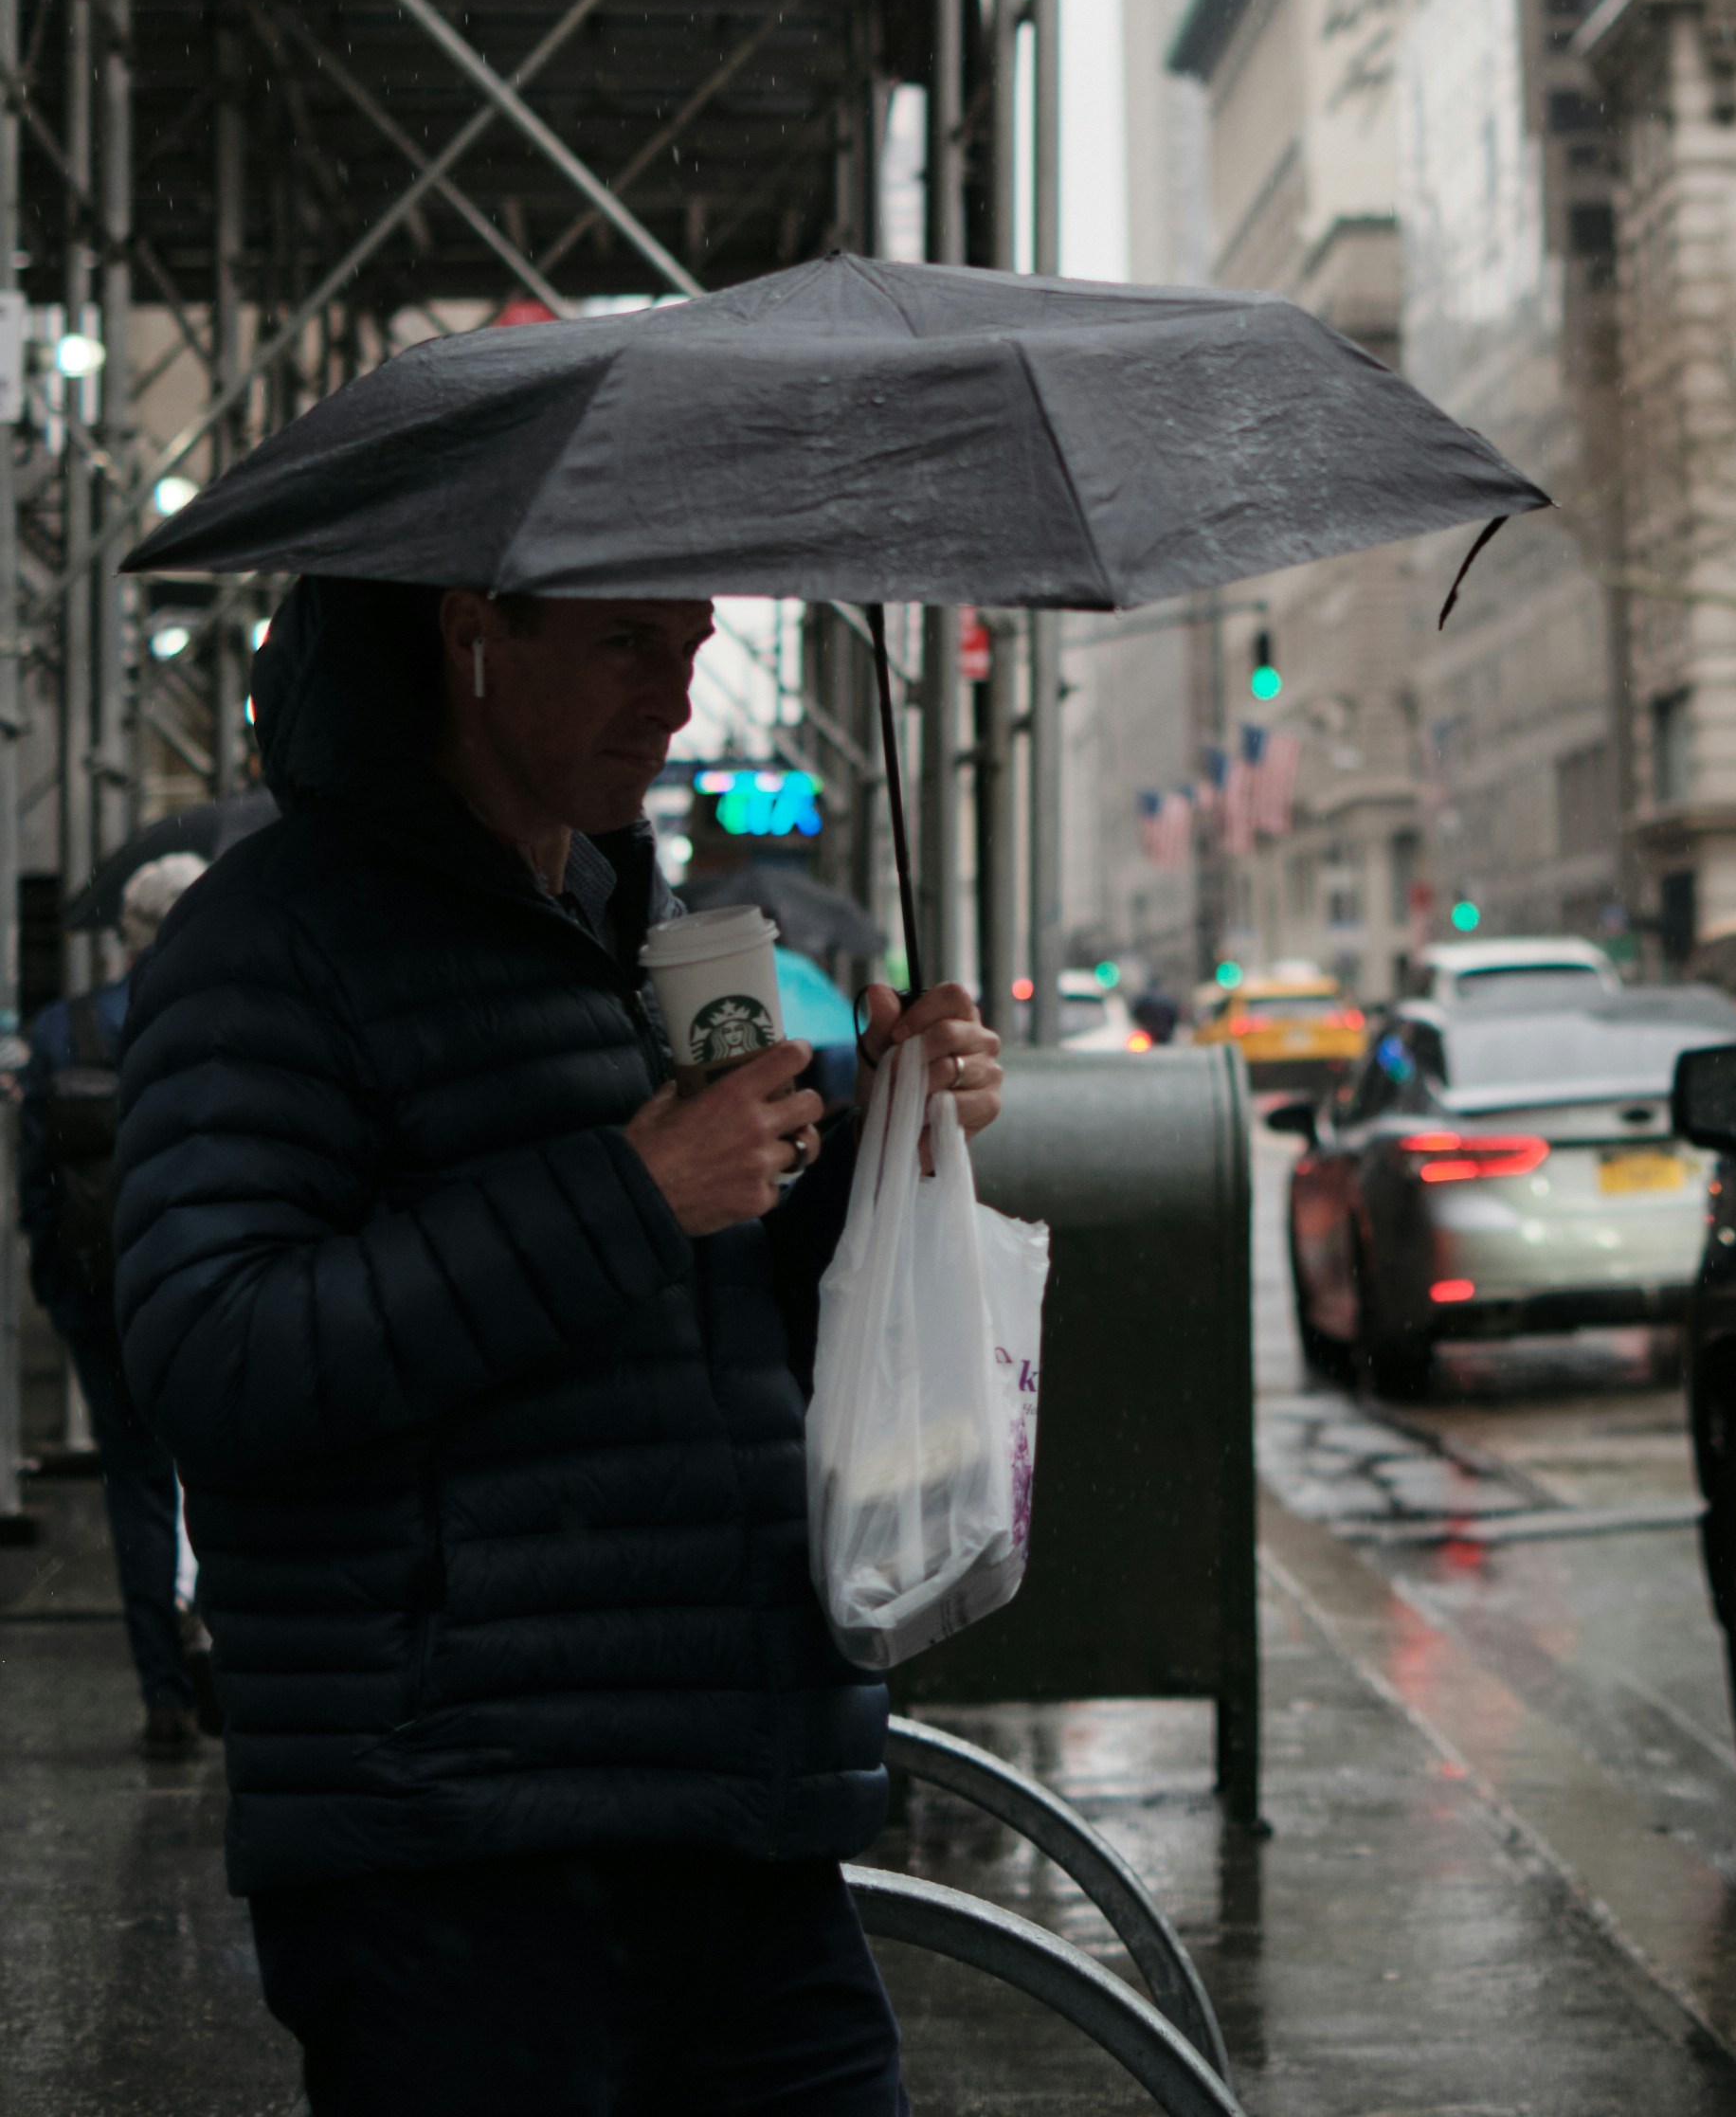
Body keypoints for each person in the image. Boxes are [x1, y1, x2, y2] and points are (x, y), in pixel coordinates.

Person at [114, 578, 1002, 2117]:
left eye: (691, 647)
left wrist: (874, 1153)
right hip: (461, 1849)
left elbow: (694, 1330)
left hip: (735, 1806)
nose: (671, 695)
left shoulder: (633, 928)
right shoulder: (270, 943)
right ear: (475, 629)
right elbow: (216, 1352)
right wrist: (631, 1192)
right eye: (620, 644)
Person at [17, 847, 209, 1754]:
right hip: (211, 1290)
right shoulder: (226, 1020)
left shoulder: (63, 1033)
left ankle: (164, 1699)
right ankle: (231, 1675)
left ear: (129, 934)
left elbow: (36, 1185)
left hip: (103, 1295)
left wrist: (63, 1292)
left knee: (134, 1486)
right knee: (225, 1475)